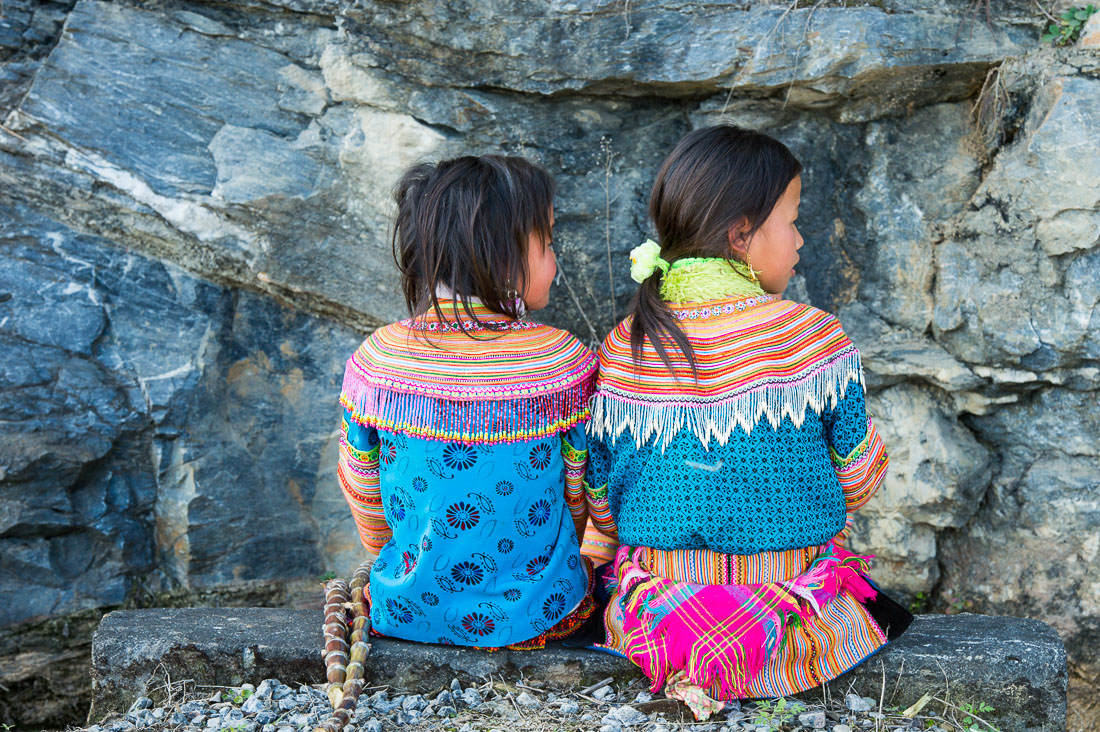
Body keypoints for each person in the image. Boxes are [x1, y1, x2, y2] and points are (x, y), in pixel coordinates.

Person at [584, 125, 913, 717]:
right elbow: (860, 480)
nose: (801, 239)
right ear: (741, 234)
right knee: (845, 574)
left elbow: (603, 500)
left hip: (657, 626)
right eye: (791, 220)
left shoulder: (621, 346)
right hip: (784, 627)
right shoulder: (815, 337)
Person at [336, 155, 602, 650]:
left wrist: (401, 560)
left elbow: (362, 490)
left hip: (406, 609)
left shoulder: (377, 362)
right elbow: (582, 492)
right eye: (548, 241)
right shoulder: (563, 364)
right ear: (503, 254)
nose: (556, 261)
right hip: (541, 613)